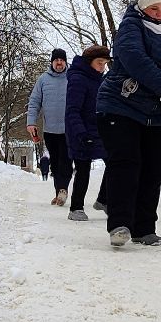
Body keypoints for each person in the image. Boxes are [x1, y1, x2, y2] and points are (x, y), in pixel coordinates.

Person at [95, 0, 161, 248]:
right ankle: (120, 224)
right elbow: (135, 60)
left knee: (155, 166)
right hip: (120, 105)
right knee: (127, 163)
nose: (159, 14)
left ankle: (144, 227)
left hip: (157, 110)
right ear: (142, 8)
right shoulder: (130, 27)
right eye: (153, 9)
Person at [62, 44, 111, 222]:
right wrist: (81, 134)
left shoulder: (99, 79)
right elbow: (72, 110)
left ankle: (103, 200)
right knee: (83, 169)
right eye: (99, 63)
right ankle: (76, 208)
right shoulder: (78, 79)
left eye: (105, 64)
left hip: (98, 130)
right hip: (79, 132)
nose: (102, 67)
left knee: (114, 161)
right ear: (89, 62)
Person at [25, 48, 72, 205]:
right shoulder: (43, 80)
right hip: (50, 130)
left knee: (66, 161)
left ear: (65, 62)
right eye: (56, 60)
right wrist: (31, 122)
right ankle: (59, 191)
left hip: (70, 129)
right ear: (52, 62)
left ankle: (63, 189)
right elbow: (34, 103)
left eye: (62, 60)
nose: (59, 63)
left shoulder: (73, 77)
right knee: (56, 162)